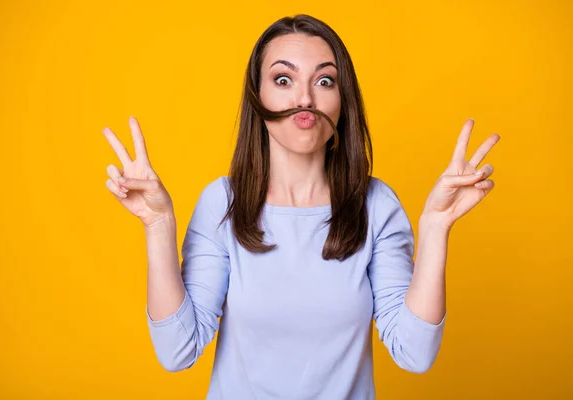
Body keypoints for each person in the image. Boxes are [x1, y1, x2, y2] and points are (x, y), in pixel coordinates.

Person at [102, 14, 499, 400]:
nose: (305, 97)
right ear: (258, 96)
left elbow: (414, 353)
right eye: (283, 79)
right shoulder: (222, 204)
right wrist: (158, 224)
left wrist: (435, 226)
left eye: (324, 81)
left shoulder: (376, 206)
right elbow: (177, 351)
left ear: (343, 101)